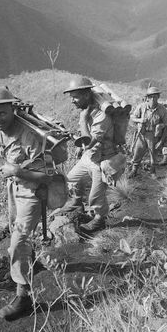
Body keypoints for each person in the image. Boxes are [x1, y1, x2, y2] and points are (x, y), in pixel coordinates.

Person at [0, 86, 54, 321]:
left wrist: (17, 171)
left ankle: (23, 296)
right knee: (17, 235)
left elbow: (48, 176)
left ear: (13, 109)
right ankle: (29, 262)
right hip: (14, 190)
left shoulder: (29, 136)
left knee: (18, 241)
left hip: (32, 193)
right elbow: (6, 163)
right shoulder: (2, 130)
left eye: (2, 113)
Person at [62, 77, 116, 233]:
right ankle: (78, 205)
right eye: (71, 97)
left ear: (86, 95)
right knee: (71, 179)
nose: (72, 100)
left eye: (75, 96)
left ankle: (100, 220)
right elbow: (85, 143)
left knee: (95, 197)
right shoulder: (86, 110)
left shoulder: (101, 116)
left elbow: (88, 143)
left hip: (103, 160)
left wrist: (83, 120)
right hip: (90, 157)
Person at [128, 86, 167, 177]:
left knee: (153, 154)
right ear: (147, 98)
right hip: (142, 134)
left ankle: (152, 171)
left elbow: (166, 124)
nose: (153, 99)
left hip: (153, 135)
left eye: (155, 96)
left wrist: (161, 138)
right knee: (137, 152)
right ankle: (134, 170)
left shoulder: (162, 109)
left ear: (158, 97)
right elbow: (132, 117)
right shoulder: (141, 107)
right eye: (150, 97)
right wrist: (140, 120)